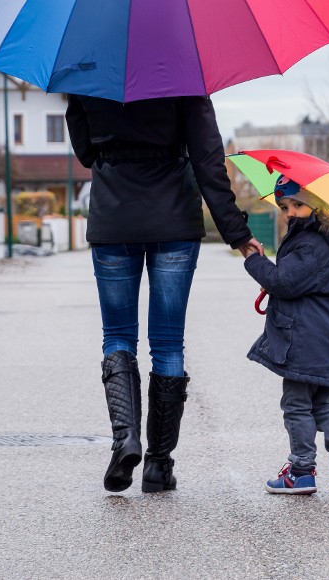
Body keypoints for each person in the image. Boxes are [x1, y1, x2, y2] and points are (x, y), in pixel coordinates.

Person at [66, 94, 262, 494]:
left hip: (113, 218)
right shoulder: (186, 76)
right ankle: (158, 465)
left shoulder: (85, 71)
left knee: (118, 336)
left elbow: (86, 152)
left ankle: (125, 439)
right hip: (173, 218)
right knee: (168, 344)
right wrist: (237, 234)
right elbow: (209, 161)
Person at [243, 174, 329, 495]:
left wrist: (254, 261)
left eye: (298, 205)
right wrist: (277, 277)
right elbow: (300, 281)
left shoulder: (312, 242)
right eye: (284, 206)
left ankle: (301, 470)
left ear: (318, 204)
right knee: (322, 403)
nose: (289, 212)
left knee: (297, 403)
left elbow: (285, 282)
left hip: (306, 339)